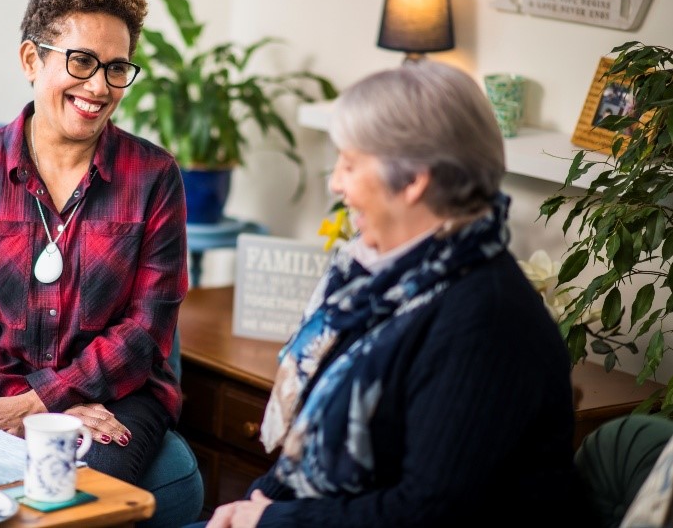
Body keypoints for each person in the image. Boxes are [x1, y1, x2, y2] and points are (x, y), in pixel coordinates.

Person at [196, 61, 591, 526]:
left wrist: (271, 520)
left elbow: (428, 513)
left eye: (349, 164)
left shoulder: (489, 321)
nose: (336, 183)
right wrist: (252, 505)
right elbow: (310, 446)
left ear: (414, 180)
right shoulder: (385, 285)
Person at [0, 0, 188, 485]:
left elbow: (147, 330)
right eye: (82, 61)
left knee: (72, 490)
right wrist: (22, 401)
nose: (101, 87)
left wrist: (43, 402)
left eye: (116, 68)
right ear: (31, 60)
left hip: (118, 396)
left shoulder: (155, 176)